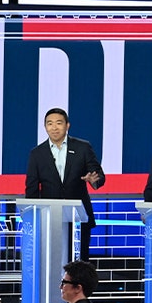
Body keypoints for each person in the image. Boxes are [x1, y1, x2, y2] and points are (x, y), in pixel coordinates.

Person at [24, 107, 105, 262]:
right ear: (45, 127)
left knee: (80, 264)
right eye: (49, 124)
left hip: (79, 218)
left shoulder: (83, 147)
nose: (54, 127)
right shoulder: (37, 154)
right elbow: (31, 189)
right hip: (50, 218)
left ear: (67, 125)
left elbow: (99, 176)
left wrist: (95, 180)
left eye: (59, 123)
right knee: (50, 261)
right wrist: (33, 217)